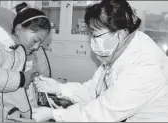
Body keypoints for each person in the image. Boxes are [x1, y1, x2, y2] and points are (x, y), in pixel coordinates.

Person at [32, 0, 168, 122]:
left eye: (95, 35)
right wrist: (59, 88)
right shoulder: (116, 52)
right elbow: (95, 90)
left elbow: (104, 112)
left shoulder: (144, 65)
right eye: (90, 35)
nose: (92, 41)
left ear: (119, 34)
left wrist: (54, 114)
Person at [0, 2, 51, 122]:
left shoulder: (34, 53)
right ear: (19, 29)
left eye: (40, 42)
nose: (37, 47)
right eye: (35, 40)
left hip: (30, 114)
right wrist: (20, 79)